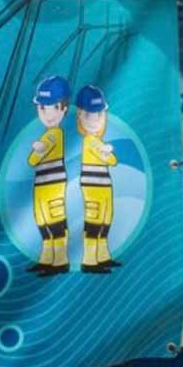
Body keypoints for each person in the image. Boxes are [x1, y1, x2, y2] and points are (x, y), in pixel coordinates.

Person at [26, 75, 70, 277]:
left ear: (63, 109)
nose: (47, 113)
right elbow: (33, 159)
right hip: (42, 185)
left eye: (53, 107)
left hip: (53, 185)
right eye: (42, 108)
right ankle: (46, 258)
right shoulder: (46, 135)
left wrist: (39, 149)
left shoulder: (54, 134)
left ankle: (59, 259)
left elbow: (34, 159)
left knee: (55, 220)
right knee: (42, 220)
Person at [76, 85, 118, 274]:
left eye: (98, 115)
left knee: (105, 220)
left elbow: (113, 160)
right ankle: (89, 260)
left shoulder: (99, 142)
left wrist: (107, 153)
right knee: (94, 222)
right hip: (92, 187)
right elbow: (106, 157)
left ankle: (103, 256)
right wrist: (106, 152)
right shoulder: (89, 141)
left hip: (105, 186)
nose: (94, 121)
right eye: (89, 115)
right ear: (80, 116)